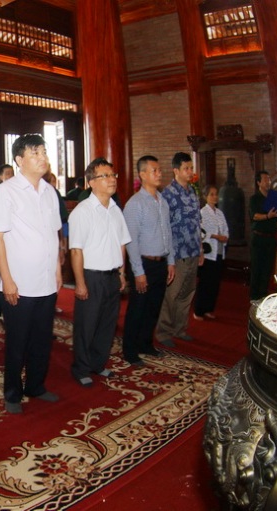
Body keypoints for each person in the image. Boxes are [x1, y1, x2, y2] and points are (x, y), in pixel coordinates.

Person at [0, 133, 61, 415]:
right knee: (17, 341)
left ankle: (35, 385)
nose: (43, 158)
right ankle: (12, 392)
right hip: (19, 282)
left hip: (46, 280)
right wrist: (7, 280)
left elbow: (54, 235)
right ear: (19, 160)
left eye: (44, 152)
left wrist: (57, 269)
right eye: (35, 153)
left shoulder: (49, 192)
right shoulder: (5, 192)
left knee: (42, 339)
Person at [68, 157, 130, 387]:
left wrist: (122, 273)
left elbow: (121, 243)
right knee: (87, 325)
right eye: (105, 176)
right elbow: (76, 250)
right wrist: (80, 282)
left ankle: (98, 363)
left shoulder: (115, 210)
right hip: (91, 276)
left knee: (107, 324)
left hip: (112, 275)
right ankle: (81, 368)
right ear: (91, 182)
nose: (112, 179)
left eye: (113, 175)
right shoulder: (82, 211)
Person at [122, 155, 175, 366]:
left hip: (160, 262)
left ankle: (145, 343)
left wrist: (171, 261)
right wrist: (138, 272)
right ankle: (130, 350)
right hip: (143, 263)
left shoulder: (162, 201)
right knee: (138, 308)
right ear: (142, 175)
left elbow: (168, 233)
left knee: (153, 307)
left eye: (159, 170)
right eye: (154, 170)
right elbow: (131, 241)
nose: (159, 174)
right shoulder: (135, 204)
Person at [156, 152, 202, 347]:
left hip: (193, 250)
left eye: (191, 168)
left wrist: (200, 249)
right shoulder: (167, 194)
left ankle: (180, 328)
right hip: (177, 254)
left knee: (187, 293)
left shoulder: (192, 192)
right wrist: (168, 257)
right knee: (171, 294)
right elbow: (163, 226)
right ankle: (163, 332)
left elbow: (197, 223)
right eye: (186, 168)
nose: (190, 172)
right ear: (176, 171)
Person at [194, 185, 229, 320]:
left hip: (219, 251)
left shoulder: (220, 213)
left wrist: (225, 236)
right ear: (205, 196)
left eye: (216, 194)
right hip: (208, 253)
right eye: (212, 194)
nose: (215, 197)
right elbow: (201, 232)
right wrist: (215, 236)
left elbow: (225, 229)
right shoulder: (203, 212)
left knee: (215, 283)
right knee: (205, 283)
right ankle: (199, 311)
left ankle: (209, 308)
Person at [249, 171, 277, 301]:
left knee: (267, 269)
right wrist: (268, 216)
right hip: (258, 238)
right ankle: (254, 297)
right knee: (257, 268)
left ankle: (263, 296)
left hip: (271, 238)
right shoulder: (254, 199)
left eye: (269, 179)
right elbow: (255, 216)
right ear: (259, 183)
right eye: (265, 180)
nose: (268, 182)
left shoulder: (273, 198)